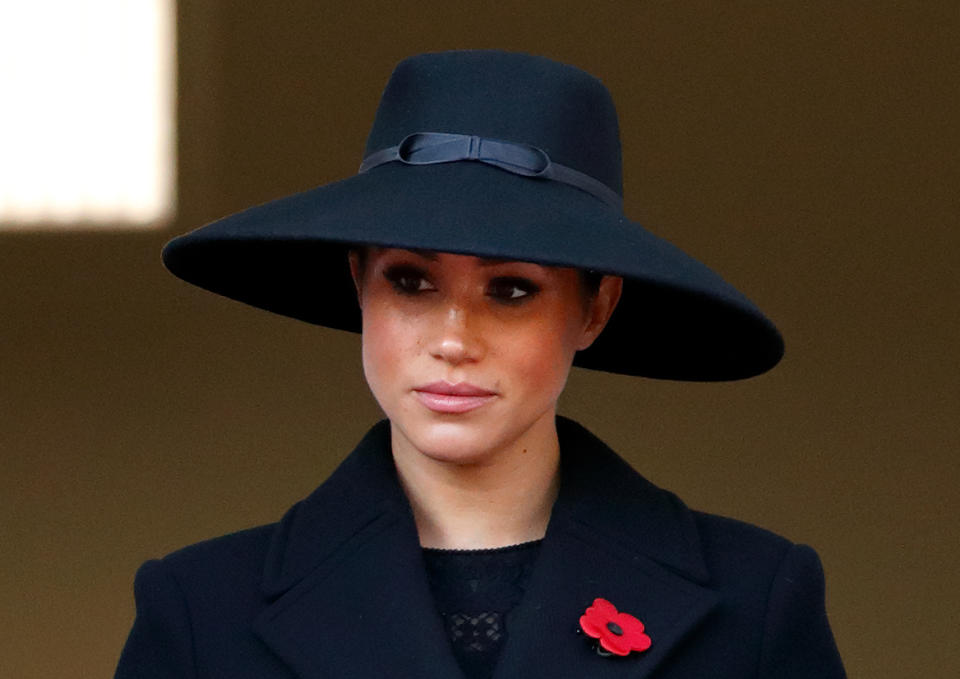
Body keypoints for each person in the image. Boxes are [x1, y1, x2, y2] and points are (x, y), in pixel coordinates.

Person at [115, 50, 846, 678]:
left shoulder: (756, 604)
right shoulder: (199, 616)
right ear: (357, 284)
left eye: (512, 290)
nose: (455, 337)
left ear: (596, 309)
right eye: (410, 281)